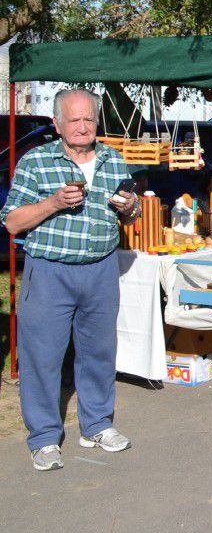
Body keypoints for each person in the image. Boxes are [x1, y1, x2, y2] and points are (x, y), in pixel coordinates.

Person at [0, 89, 140, 470]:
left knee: (99, 353)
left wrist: (130, 208)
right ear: (57, 124)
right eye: (74, 120)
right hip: (49, 272)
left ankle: (96, 425)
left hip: (100, 270)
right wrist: (53, 204)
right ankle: (44, 438)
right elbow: (12, 221)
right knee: (42, 356)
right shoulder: (36, 162)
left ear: (97, 122)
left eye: (88, 119)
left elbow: (130, 214)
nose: (82, 127)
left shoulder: (114, 160)